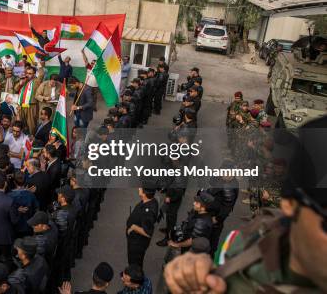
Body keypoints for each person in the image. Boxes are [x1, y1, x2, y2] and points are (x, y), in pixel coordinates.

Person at [164, 123, 327, 293]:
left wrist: (216, 218)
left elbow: (226, 206)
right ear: (290, 204)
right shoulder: (246, 242)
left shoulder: (231, 191)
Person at [126, 188, 158, 268]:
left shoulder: (148, 212)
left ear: (144, 194)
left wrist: (133, 227)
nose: (139, 188)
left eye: (141, 188)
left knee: (135, 264)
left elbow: (148, 233)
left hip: (137, 243)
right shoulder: (150, 200)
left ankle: (135, 278)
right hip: (135, 240)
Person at [15, 65, 42, 134]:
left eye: (30, 73)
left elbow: (41, 74)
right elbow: (15, 89)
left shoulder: (36, 81)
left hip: (31, 106)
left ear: (34, 74)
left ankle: (31, 141)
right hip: (21, 106)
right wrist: (20, 83)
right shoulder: (24, 80)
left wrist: (39, 66)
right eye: (27, 73)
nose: (27, 75)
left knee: (31, 125)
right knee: (20, 124)